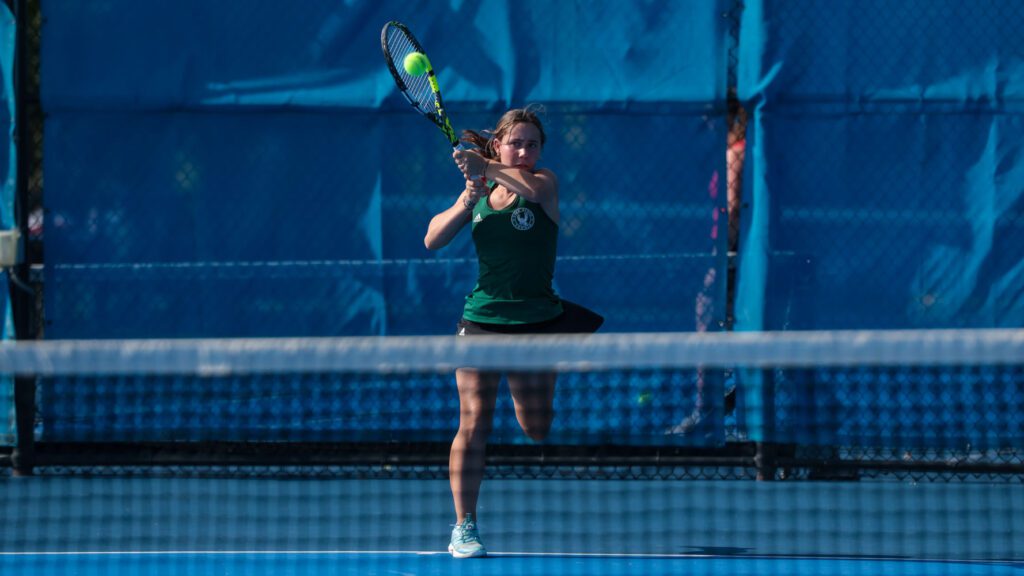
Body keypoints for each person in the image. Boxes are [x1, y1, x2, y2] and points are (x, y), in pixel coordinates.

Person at [423, 106, 603, 558]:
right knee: (473, 420)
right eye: (516, 143)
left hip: (537, 324)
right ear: (499, 143)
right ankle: (464, 525)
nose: (524, 151)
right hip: (480, 320)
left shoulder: (543, 184)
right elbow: (432, 238)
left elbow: (525, 184)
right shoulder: (481, 192)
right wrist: (468, 197)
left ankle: (543, 390)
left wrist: (486, 167)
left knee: (536, 427)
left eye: (532, 144)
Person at [668, 96, 747, 436]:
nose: (706, 123)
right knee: (725, 322)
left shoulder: (736, 153)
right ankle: (726, 400)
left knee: (709, 315)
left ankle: (711, 409)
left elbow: (733, 208)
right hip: (735, 256)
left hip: (733, 256)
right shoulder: (739, 150)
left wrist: (723, 257)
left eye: (711, 116)